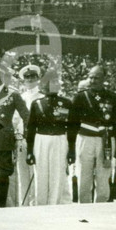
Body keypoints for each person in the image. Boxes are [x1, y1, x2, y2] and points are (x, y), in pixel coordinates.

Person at [68, 66, 116, 204]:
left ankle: (102, 207)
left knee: (103, 176)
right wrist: (72, 145)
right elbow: (73, 122)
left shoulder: (113, 97)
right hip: (85, 139)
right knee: (84, 175)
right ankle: (84, 206)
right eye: (90, 77)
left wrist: (107, 132)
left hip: (105, 141)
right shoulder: (81, 97)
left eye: (96, 77)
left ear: (104, 79)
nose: (92, 80)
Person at [0, 61, 29, 208]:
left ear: (1, 76)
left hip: (4, 140)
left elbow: (26, 116)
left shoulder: (13, 94)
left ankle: (0, 207)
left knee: (2, 175)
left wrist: (24, 135)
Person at [25, 71, 77, 205]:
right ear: (45, 85)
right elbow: (30, 129)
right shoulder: (37, 104)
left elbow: (72, 129)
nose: (57, 84)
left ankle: (55, 204)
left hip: (59, 140)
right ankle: (40, 203)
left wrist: (72, 150)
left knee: (58, 174)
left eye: (57, 81)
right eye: (53, 82)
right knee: (41, 174)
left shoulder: (66, 103)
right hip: (41, 141)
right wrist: (30, 151)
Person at [9, 64, 42, 207]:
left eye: (33, 76)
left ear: (38, 78)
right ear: (23, 80)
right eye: (27, 77)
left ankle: (34, 204)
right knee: (22, 175)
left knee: (36, 174)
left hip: (37, 139)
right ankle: (23, 204)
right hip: (22, 139)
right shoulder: (20, 97)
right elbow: (15, 120)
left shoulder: (42, 98)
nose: (30, 79)